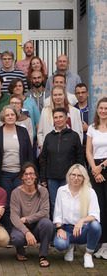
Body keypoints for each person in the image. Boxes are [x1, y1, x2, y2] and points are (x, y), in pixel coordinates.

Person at [53, 164, 101, 268]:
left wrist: (82, 220)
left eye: (79, 175)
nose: (76, 178)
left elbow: (95, 215)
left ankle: (88, 254)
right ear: (69, 176)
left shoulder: (90, 192)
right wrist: (59, 229)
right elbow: (57, 214)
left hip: (82, 231)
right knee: (60, 244)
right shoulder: (61, 190)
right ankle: (69, 247)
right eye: (73, 175)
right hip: (66, 229)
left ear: (84, 178)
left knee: (96, 226)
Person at [40, 108, 84, 216]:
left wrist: (81, 176)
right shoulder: (49, 137)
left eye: (61, 117)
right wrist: (43, 178)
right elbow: (44, 158)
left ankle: (70, 229)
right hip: (52, 178)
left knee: (70, 204)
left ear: (66, 118)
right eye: (55, 117)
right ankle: (57, 229)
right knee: (54, 204)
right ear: (53, 120)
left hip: (70, 177)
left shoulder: (74, 136)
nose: (58, 120)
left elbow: (80, 158)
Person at [0, 105, 33, 234]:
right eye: (7, 115)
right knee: (6, 204)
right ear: (3, 117)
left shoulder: (22, 132)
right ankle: (7, 230)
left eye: (12, 114)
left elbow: (29, 152)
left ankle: (18, 231)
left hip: (20, 174)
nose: (10, 117)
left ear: (16, 116)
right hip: (4, 174)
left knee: (19, 204)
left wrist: (29, 173)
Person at [10, 162, 53, 267]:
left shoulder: (43, 191)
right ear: (21, 177)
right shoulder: (15, 193)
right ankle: (20, 251)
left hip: (38, 227)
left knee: (48, 223)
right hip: (21, 228)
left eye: (31, 173)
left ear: (35, 176)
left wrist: (28, 219)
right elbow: (14, 217)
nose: (28, 176)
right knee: (16, 238)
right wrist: (27, 232)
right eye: (25, 174)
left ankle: (43, 255)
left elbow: (45, 212)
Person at [86, 97, 107, 259]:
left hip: (105, 167)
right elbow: (88, 151)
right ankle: (103, 244)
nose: (103, 111)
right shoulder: (92, 128)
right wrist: (94, 169)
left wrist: (101, 167)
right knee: (99, 207)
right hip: (95, 169)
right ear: (97, 110)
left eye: (106, 108)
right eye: (101, 108)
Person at [37, 85, 83, 150]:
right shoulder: (45, 111)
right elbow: (40, 132)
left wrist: (77, 148)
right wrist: (42, 148)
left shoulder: (75, 111)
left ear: (64, 95)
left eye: (60, 94)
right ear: (52, 97)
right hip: (51, 150)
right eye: (55, 95)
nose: (57, 97)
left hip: (70, 149)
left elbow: (80, 132)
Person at [74, 83, 89, 162]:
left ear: (87, 93)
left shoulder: (93, 109)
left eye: (83, 92)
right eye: (78, 93)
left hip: (91, 146)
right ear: (75, 95)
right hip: (76, 147)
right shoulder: (72, 110)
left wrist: (88, 128)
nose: (80, 95)